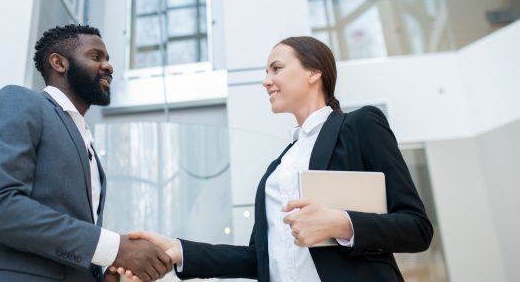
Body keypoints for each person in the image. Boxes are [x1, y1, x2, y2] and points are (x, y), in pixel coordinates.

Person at [113, 36, 433, 282]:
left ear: (314, 72)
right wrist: (177, 250)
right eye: (266, 72)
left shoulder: (360, 125)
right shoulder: (277, 170)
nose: (266, 80)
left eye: (276, 68)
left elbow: (416, 227)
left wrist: (340, 223)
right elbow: (259, 259)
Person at [0, 24, 172, 282]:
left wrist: (104, 272)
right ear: (59, 63)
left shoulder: (87, 142)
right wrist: (115, 249)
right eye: (96, 57)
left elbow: (70, 242)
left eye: (108, 59)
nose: (109, 66)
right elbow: (0, 207)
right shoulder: (20, 102)